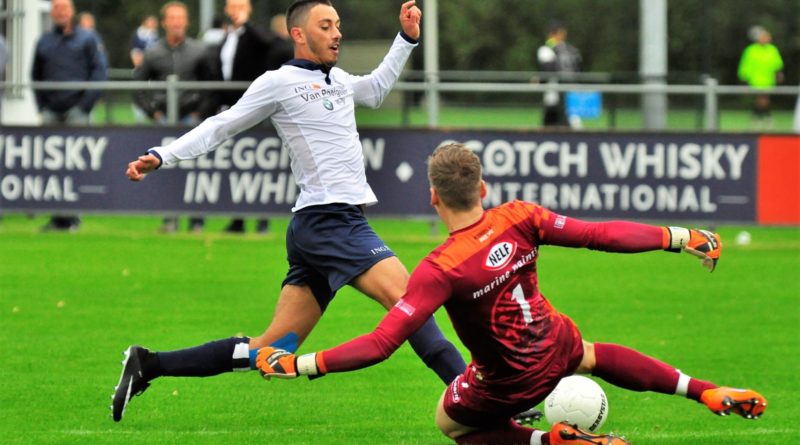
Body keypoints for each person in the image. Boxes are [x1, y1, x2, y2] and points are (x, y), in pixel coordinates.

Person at [255, 143, 768, 444]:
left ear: (432, 196)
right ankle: (703, 389)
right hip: (554, 343)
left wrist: (301, 363)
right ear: (482, 187)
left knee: (449, 422)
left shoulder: (439, 268)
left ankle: (547, 440)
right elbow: (601, 236)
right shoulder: (520, 217)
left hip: (507, 382)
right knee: (590, 354)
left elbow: (382, 342)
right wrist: (679, 238)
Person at [112, 0, 466, 422]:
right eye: (326, 25)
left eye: (337, 25)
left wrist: (406, 38)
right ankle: (476, 398)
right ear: (298, 34)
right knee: (412, 304)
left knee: (269, 351)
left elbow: (374, 89)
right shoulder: (279, 82)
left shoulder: (336, 79)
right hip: (330, 222)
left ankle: (149, 364)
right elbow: (221, 124)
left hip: (320, 227)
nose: (337, 33)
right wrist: (162, 154)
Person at [134, 1, 212, 233]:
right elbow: (137, 85)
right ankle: (170, 220)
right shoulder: (153, 52)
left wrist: (201, 112)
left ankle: (196, 221)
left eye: (180, 18)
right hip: (164, 120)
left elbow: (211, 85)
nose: (177, 23)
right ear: (164, 22)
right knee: (165, 169)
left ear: (186, 22)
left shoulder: (200, 50)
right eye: (172, 18)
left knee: (195, 170)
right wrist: (151, 111)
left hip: (192, 119)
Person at [216, 1, 292, 235]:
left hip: (255, 108)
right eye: (232, 5)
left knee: (259, 165)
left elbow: (269, 44)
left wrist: (247, 24)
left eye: (240, 5)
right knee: (236, 167)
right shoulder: (225, 37)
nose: (235, 10)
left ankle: (262, 220)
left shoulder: (256, 34)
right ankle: (238, 219)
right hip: (229, 108)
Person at [32, 0, 107, 232]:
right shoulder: (44, 41)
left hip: (77, 111)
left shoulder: (87, 38)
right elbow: (35, 75)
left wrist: (85, 105)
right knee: (52, 167)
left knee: (76, 166)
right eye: (56, 8)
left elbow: (99, 72)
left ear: (71, 11)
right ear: (52, 13)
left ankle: (73, 216)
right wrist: (42, 106)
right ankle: (58, 217)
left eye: (64, 8)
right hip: (51, 111)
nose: (60, 12)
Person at [737, 26, 784, 129]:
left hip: (768, 79)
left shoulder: (772, 49)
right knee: (762, 98)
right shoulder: (751, 50)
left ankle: (758, 117)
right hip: (756, 79)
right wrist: (743, 76)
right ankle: (765, 118)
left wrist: (779, 74)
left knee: (764, 99)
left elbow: (777, 64)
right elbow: (745, 64)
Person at [536, 22, 581, 128]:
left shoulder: (548, 48)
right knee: (572, 121)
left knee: (555, 121)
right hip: (572, 90)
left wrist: (541, 80)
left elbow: (548, 69)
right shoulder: (572, 49)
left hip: (556, 91)